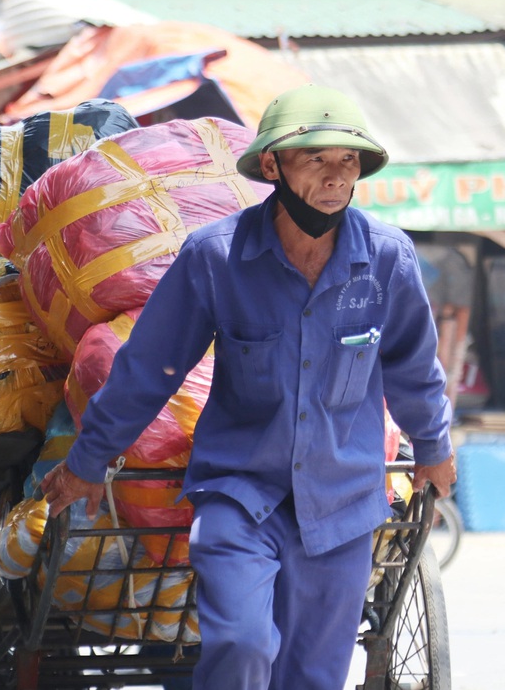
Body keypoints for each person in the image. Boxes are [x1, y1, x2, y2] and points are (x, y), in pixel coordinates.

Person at [40, 84, 457, 689]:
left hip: (341, 503)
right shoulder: (215, 256)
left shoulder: (388, 259)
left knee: (313, 677)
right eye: (315, 159)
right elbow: (149, 368)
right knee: (242, 644)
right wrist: (88, 459)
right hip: (239, 497)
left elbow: (414, 367)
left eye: (347, 161)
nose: (336, 176)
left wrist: (435, 448)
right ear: (271, 166)